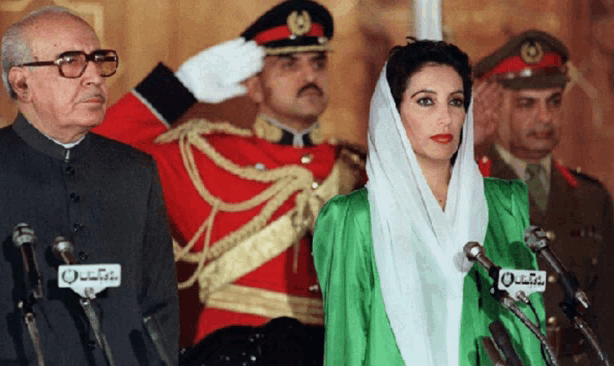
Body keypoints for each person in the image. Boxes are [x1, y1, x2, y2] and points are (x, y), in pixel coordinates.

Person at [92, 0, 365, 362]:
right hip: (235, 351)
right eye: (289, 65)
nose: (309, 76)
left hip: (335, 350)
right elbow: (95, 153)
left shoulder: (358, 169)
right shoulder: (204, 156)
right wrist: (179, 88)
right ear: (253, 85)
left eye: (318, 63)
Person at [313, 39, 548, 365]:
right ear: (393, 113)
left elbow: (526, 331)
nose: (445, 117)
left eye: (455, 102)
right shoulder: (354, 218)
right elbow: (347, 343)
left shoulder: (502, 204)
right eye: (426, 101)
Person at [0, 6, 178, 365]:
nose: (95, 77)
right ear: (22, 82)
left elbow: (158, 304)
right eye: (71, 62)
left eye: (99, 61)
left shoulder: (135, 170)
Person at [474, 30, 614, 363]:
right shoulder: (473, 188)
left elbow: (607, 310)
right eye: (526, 104)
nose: (545, 118)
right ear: (495, 109)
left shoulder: (591, 198)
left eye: (553, 101)